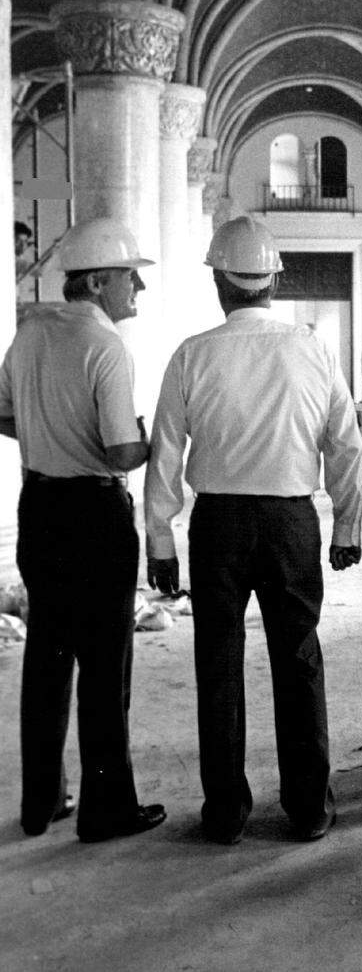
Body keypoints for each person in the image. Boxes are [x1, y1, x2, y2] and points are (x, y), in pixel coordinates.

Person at [144, 216, 362, 843]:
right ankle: (308, 809)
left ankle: (226, 813)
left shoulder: (192, 353)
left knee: (218, 666)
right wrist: (346, 522)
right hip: (292, 519)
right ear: (274, 279)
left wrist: (161, 541)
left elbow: (164, 454)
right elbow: (347, 447)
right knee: (298, 661)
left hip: (218, 525)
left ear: (219, 280)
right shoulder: (312, 347)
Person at [0, 217, 165, 842]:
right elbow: (122, 451)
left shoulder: (31, 335)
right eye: (130, 278)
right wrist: (149, 441)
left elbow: (0, 413)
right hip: (95, 517)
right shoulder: (107, 348)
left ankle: (40, 802)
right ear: (97, 281)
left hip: (39, 509)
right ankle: (107, 807)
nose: (138, 291)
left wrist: (48, 435)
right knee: (103, 664)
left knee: (46, 656)